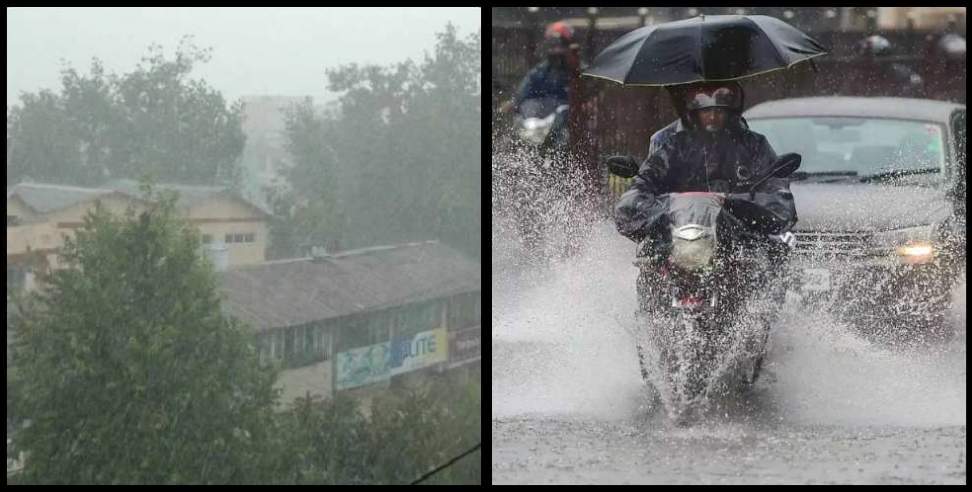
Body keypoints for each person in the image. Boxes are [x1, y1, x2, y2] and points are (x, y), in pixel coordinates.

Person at [499, 21, 580, 116]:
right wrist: (514, 103)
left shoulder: (581, 72)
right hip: (542, 123)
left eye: (561, 44)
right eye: (553, 45)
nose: (556, 50)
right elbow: (525, 92)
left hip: (570, 120)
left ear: (571, 47)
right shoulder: (540, 72)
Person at [856, 34, 925, 98]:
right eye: (864, 57)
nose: (865, 61)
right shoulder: (860, 76)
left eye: (868, 56)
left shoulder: (903, 76)